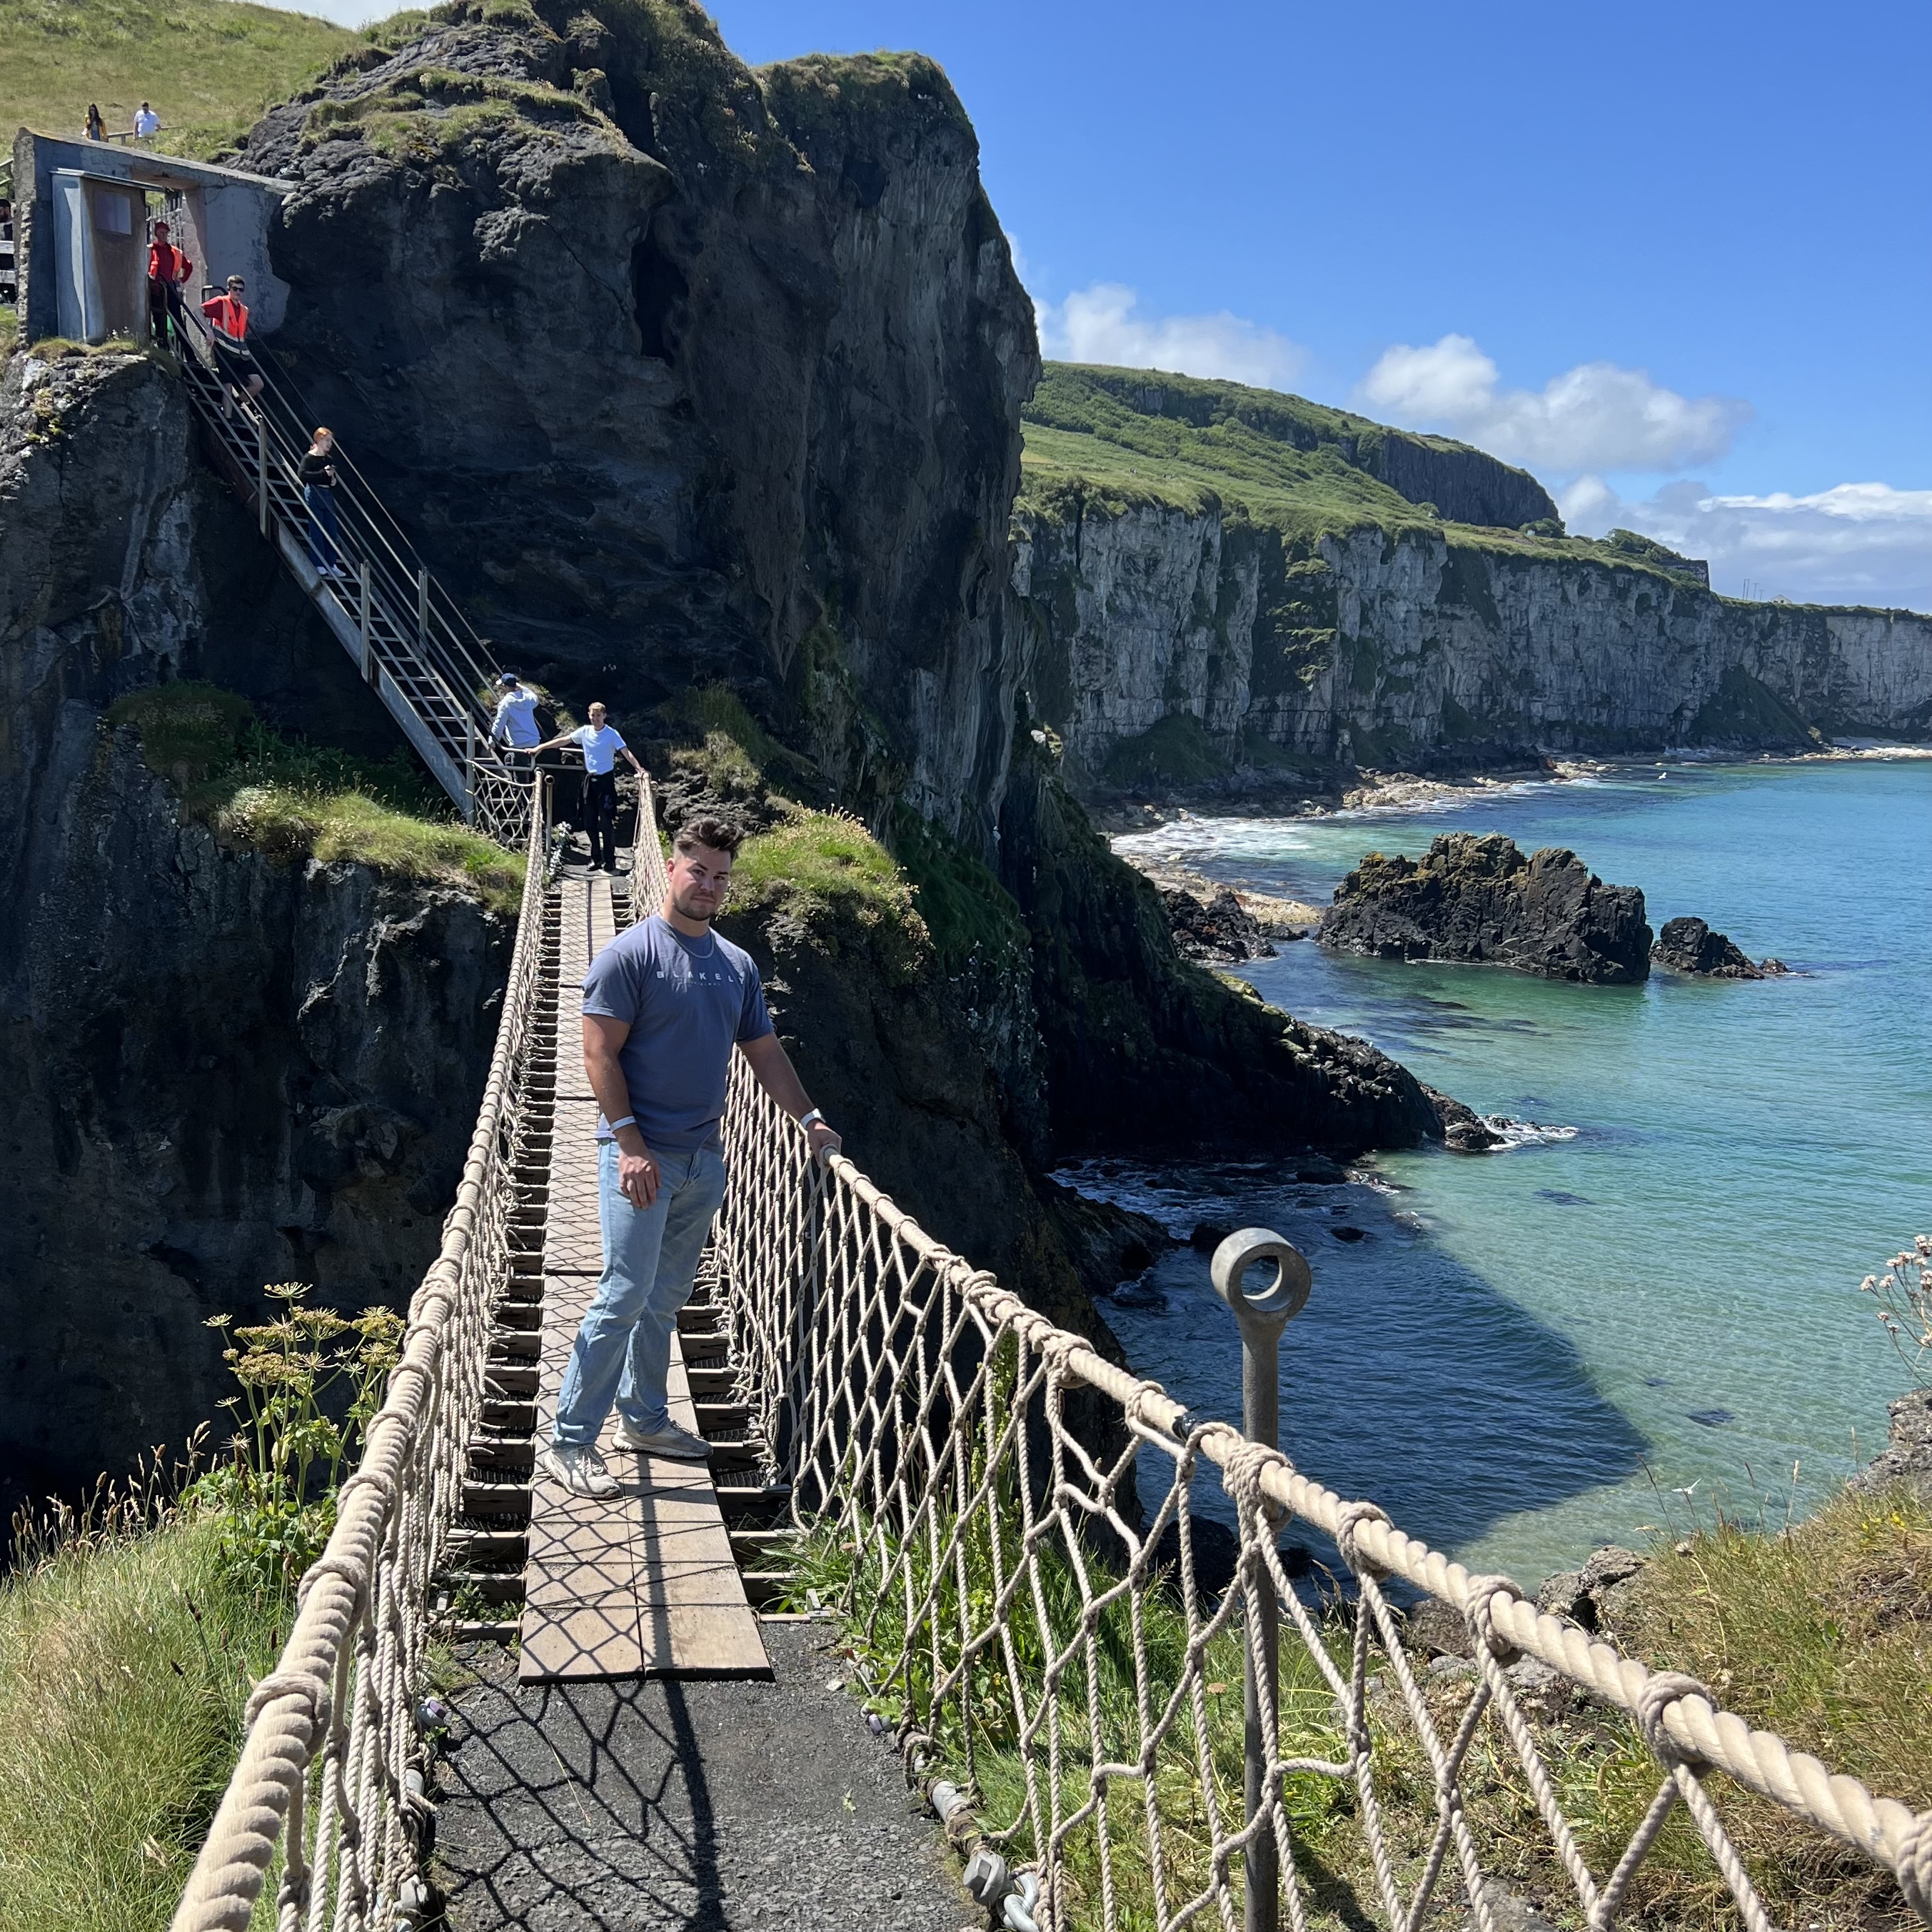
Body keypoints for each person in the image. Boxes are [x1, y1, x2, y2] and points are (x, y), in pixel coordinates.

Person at [537, 815, 842, 1497]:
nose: (709, 885)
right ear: (670, 869)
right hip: (641, 1157)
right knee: (624, 1293)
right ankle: (570, 1441)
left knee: (666, 1296)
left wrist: (810, 1119)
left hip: (705, 1158)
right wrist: (629, 1146)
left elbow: (764, 1051)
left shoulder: (735, 966)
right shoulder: (629, 955)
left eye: (721, 877)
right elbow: (597, 1052)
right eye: (698, 870)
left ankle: (644, 1419)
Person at [531, 700, 648, 871]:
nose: (595, 719)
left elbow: (626, 752)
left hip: (605, 782)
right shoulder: (584, 731)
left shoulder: (612, 734)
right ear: (589, 716)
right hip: (589, 781)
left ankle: (610, 860)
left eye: (598, 715)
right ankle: (596, 858)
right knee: (589, 822)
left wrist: (639, 768)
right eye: (593, 715)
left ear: (604, 716)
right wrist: (540, 748)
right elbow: (563, 741)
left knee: (606, 822)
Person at [200, 273, 263, 416]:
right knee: (227, 387)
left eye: (241, 290)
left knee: (258, 383)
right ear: (229, 289)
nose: (238, 292)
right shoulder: (221, 303)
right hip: (224, 350)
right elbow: (198, 311)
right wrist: (208, 331)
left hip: (241, 353)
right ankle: (227, 421)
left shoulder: (244, 310)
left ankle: (237, 402)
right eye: (235, 289)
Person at [300, 428, 346, 577]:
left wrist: (332, 479)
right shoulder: (309, 458)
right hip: (314, 492)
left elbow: (331, 480)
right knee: (317, 529)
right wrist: (323, 473)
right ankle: (318, 563)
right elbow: (303, 475)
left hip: (327, 493)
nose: (329, 444)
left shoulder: (328, 459)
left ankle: (331, 563)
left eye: (331, 441)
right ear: (319, 440)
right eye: (327, 440)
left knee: (331, 529)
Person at [146, 220, 192, 350]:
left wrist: (181, 280)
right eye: (161, 233)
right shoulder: (150, 250)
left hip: (171, 290)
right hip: (156, 291)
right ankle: (163, 351)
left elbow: (188, 267)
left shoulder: (175, 252)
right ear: (156, 234)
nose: (164, 235)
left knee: (178, 323)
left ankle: (191, 356)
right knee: (159, 322)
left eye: (166, 233)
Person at [489, 673, 542, 773]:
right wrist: (521, 687)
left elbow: (499, 725)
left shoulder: (506, 703)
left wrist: (492, 742)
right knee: (509, 758)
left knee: (520, 774)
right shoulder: (527, 699)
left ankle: (518, 784)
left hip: (520, 745)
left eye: (502, 686)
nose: (502, 689)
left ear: (505, 687)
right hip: (535, 742)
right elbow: (535, 698)